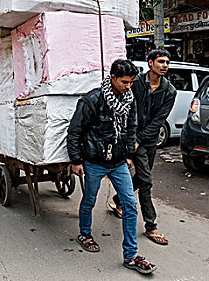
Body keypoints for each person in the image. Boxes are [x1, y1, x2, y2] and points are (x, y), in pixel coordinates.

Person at [67, 59, 156, 275]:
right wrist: (76, 160)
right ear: (113, 78)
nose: (129, 86)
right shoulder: (92, 100)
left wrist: (127, 154)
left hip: (117, 162)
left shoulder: (129, 99)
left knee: (130, 205)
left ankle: (131, 255)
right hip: (94, 161)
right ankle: (85, 234)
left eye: (132, 82)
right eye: (125, 82)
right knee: (89, 199)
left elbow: (131, 127)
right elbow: (75, 131)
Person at [110, 49, 176, 246]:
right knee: (146, 181)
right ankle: (151, 225)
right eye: (161, 61)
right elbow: (128, 109)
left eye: (167, 62)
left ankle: (119, 199)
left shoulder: (169, 91)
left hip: (149, 141)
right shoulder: (135, 83)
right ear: (150, 63)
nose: (165, 65)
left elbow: (159, 121)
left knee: (141, 176)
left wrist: (140, 139)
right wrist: (131, 139)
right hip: (131, 136)